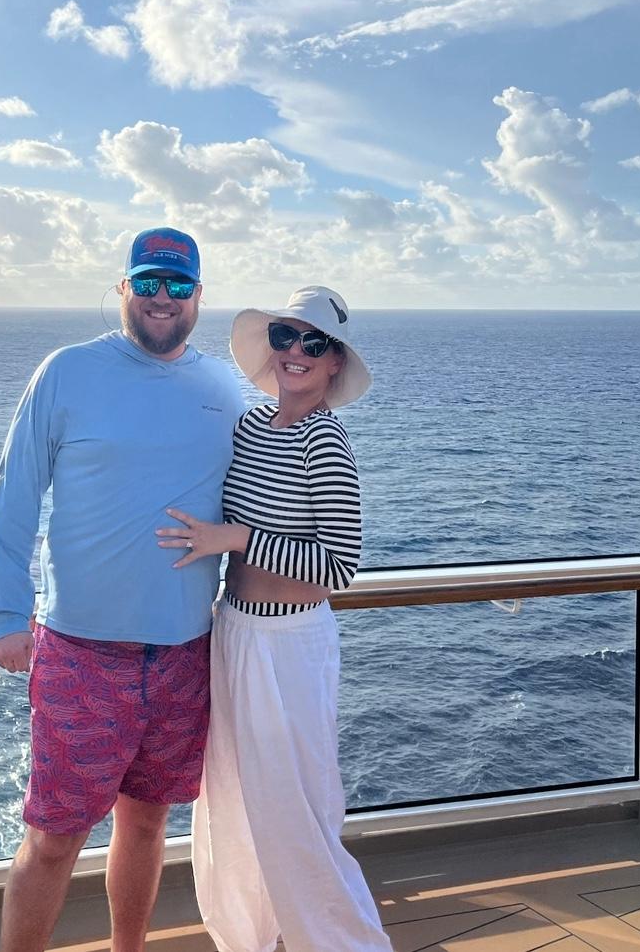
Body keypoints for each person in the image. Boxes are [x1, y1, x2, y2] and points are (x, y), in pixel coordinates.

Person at [0, 226, 245, 952]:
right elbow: (15, 494)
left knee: (148, 822)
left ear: (199, 295)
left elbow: (258, 500)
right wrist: (6, 613)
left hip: (186, 652)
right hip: (81, 652)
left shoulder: (223, 387)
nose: (163, 297)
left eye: (178, 284)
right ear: (124, 288)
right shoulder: (67, 372)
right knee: (52, 839)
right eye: (148, 282)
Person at [158, 286, 392, 952]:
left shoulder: (325, 442)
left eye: (314, 343)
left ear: (334, 363)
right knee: (230, 803)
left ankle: (344, 943)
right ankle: (246, 939)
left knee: (297, 811)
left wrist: (236, 539)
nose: (297, 352)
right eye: (287, 337)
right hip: (233, 630)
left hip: (289, 643)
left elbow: (338, 566)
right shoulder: (251, 427)